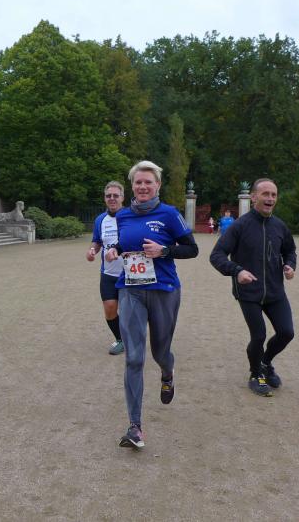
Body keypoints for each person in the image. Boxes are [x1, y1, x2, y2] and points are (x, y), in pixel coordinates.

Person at [104, 161, 199, 448]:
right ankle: (135, 427)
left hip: (164, 290)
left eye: (148, 182)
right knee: (134, 358)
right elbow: (124, 244)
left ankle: (167, 372)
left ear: (157, 185)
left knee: (160, 352)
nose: (143, 186)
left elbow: (192, 249)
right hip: (130, 290)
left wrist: (164, 250)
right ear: (132, 186)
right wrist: (114, 250)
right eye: (138, 182)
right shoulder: (123, 215)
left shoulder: (169, 214)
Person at [209, 178, 296, 397]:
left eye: (274, 195)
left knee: (286, 332)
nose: (270, 198)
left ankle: (265, 363)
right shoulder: (240, 226)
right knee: (259, 335)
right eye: (265, 194)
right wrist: (237, 271)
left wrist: (290, 265)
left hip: (275, 291)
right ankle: (256, 374)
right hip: (248, 293)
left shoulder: (280, 226)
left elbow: (290, 251)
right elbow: (217, 255)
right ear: (253, 197)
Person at [86, 181, 126, 355]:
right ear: (104, 198)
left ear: (122, 197)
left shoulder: (131, 216)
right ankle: (120, 339)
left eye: (116, 195)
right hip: (108, 274)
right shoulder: (100, 220)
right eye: (108, 195)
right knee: (110, 310)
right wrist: (92, 250)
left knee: (131, 312)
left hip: (129, 274)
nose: (112, 198)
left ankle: (132, 338)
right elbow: (97, 241)